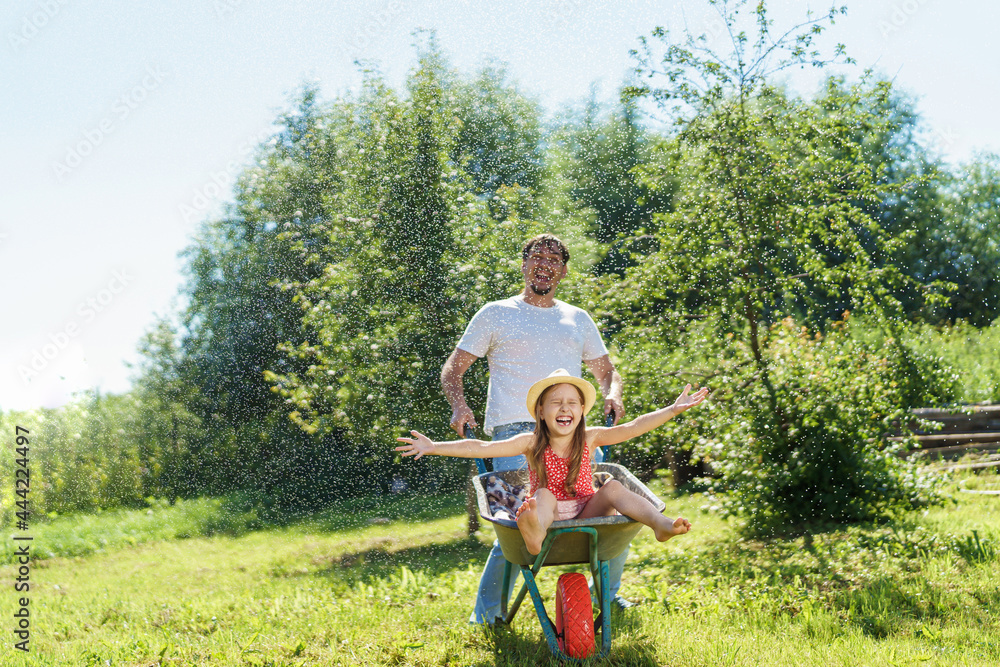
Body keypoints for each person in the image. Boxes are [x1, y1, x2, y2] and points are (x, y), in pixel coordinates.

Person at [439, 233, 627, 624]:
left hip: (571, 432)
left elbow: (607, 372)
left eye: (554, 258)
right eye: (537, 256)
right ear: (523, 264)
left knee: (610, 515)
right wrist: (459, 405)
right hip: (515, 433)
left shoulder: (577, 318)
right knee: (512, 519)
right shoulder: (495, 312)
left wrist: (613, 394)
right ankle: (488, 614)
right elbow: (453, 369)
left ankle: (605, 596)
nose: (545, 263)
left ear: (563, 270)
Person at [397, 369, 708, 552]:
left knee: (612, 487)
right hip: (549, 514)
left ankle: (660, 524)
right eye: (556, 402)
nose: (565, 408)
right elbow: (480, 446)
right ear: (541, 412)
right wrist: (434, 446)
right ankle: (535, 534)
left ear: (582, 411)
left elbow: (632, 427)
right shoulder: (531, 443)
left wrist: (672, 410)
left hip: (589, 512)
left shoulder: (589, 438)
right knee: (542, 494)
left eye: (572, 402)